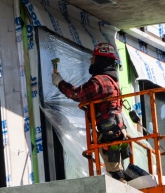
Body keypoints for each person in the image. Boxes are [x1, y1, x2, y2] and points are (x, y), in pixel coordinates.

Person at [52, 42, 131, 180]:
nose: (91, 60)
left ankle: (122, 186)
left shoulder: (100, 81)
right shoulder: (112, 81)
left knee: (115, 174)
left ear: (101, 60)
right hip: (115, 128)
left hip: (109, 131)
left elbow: (77, 94)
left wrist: (60, 82)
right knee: (116, 168)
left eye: (94, 58)